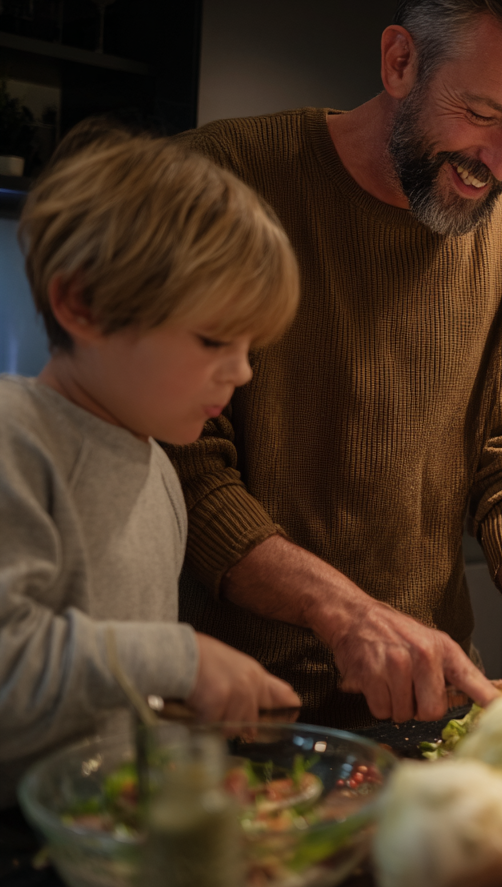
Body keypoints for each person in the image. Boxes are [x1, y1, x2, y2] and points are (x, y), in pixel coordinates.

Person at [167, 0, 502, 726]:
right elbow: (184, 463)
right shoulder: (222, 181)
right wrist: (346, 613)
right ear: (401, 61)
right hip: (230, 702)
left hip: (428, 698)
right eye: (483, 113)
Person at [0, 129, 302, 804]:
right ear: (81, 304)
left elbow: (115, 700)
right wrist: (185, 660)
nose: (244, 370)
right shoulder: (14, 439)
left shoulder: (163, 471)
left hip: (111, 831)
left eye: (250, 343)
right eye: (214, 338)